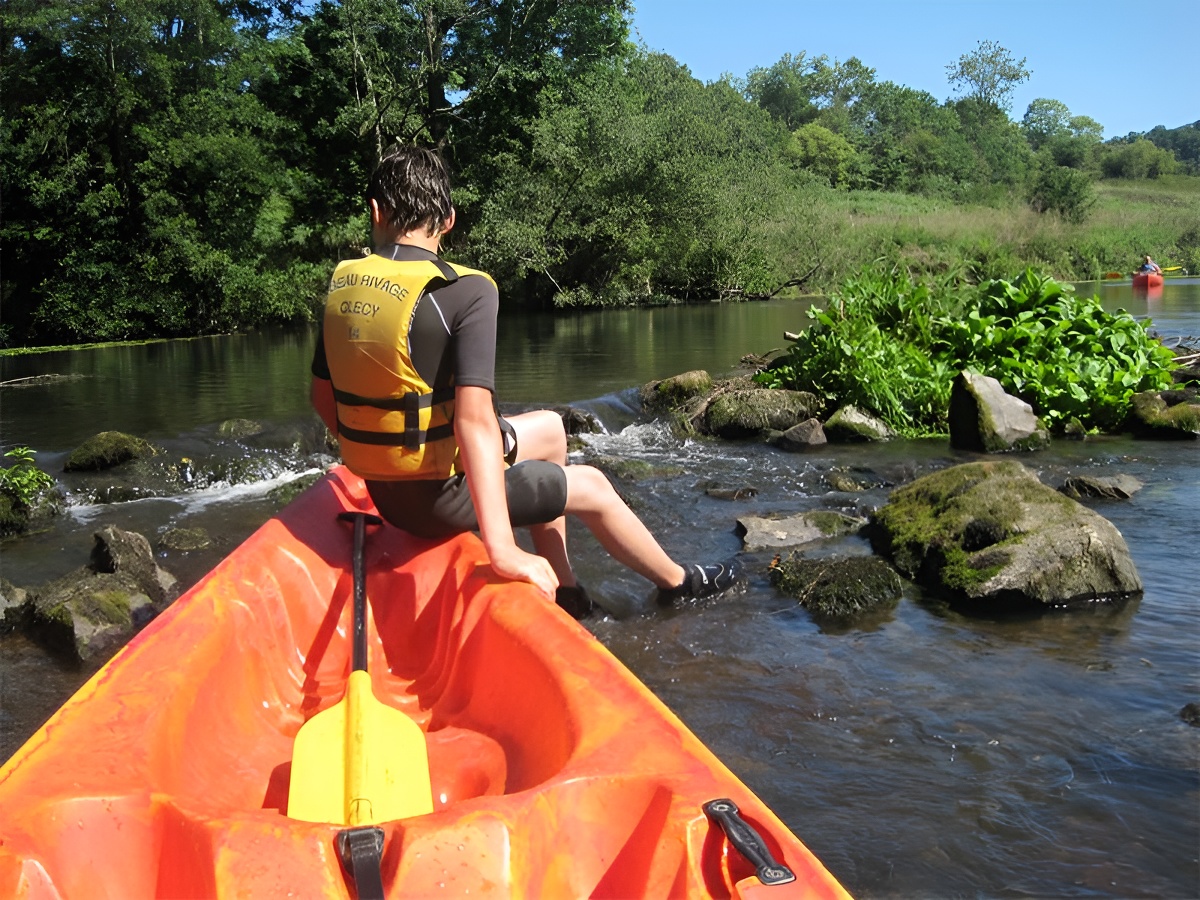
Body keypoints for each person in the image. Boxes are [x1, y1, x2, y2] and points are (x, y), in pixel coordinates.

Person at [310, 145, 740, 618]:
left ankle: (566, 589)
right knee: (593, 485)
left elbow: (323, 397)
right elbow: (474, 422)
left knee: (552, 430)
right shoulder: (466, 289)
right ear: (448, 220)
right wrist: (503, 549)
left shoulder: (345, 285)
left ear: (376, 211)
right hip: (435, 503)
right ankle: (678, 583)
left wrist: (383, 459)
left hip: (385, 490)